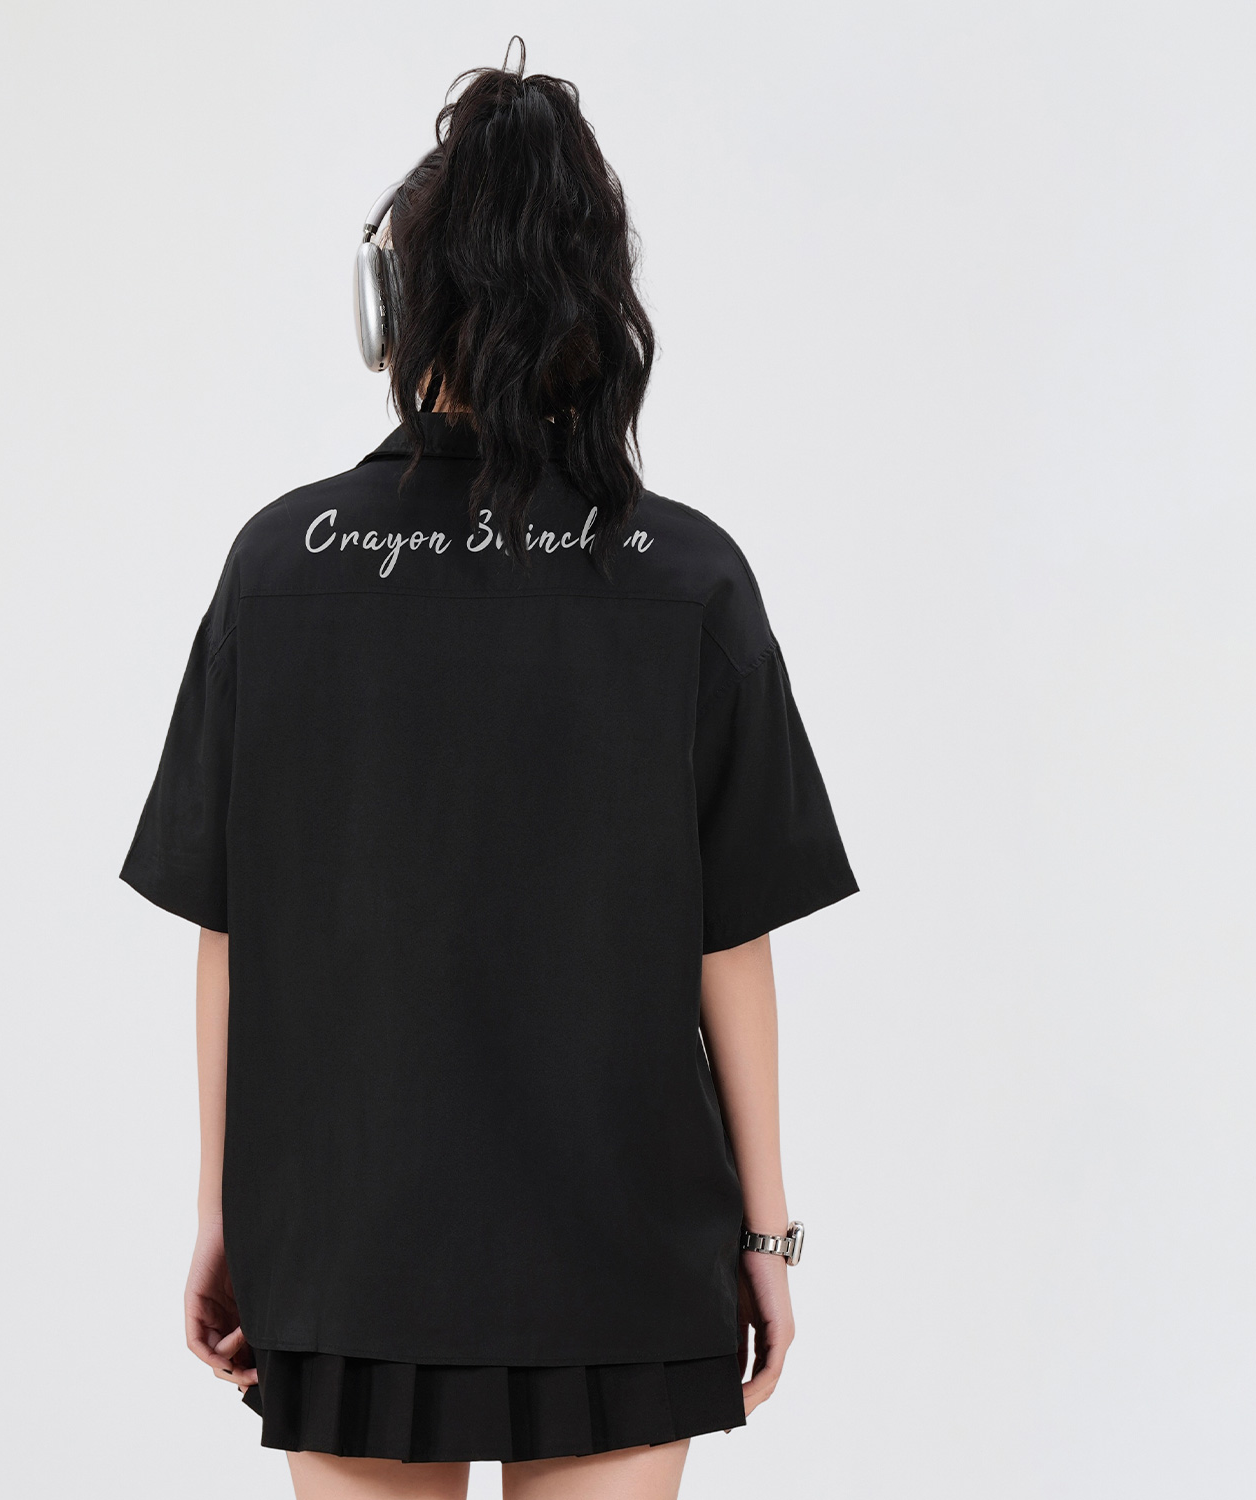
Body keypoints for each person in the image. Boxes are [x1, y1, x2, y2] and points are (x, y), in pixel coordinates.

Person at [121, 45, 857, 1500]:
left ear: (393, 309)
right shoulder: (689, 578)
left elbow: (232, 930)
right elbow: (730, 940)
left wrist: (225, 1207)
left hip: (348, 1246)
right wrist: (765, 1236)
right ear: (596, 309)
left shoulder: (279, 569)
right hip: (623, 1249)